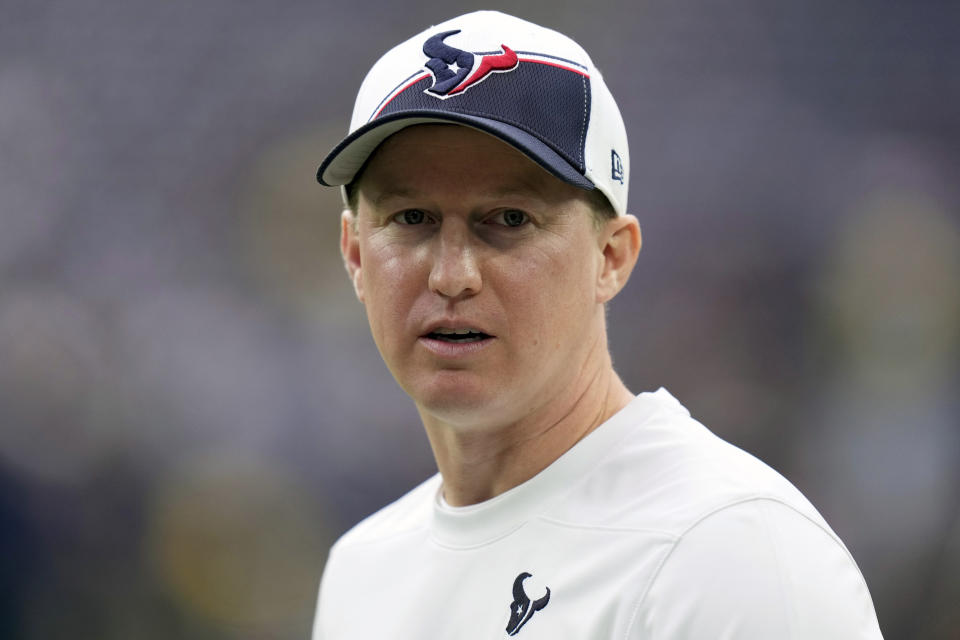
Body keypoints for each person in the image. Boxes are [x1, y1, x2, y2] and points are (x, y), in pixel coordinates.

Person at [311, 10, 883, 639]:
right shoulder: (361, 572)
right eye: (412, 218)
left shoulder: (727, 552)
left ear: (611, 257)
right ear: (356, 255)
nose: (452, 275)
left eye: (507, 219)